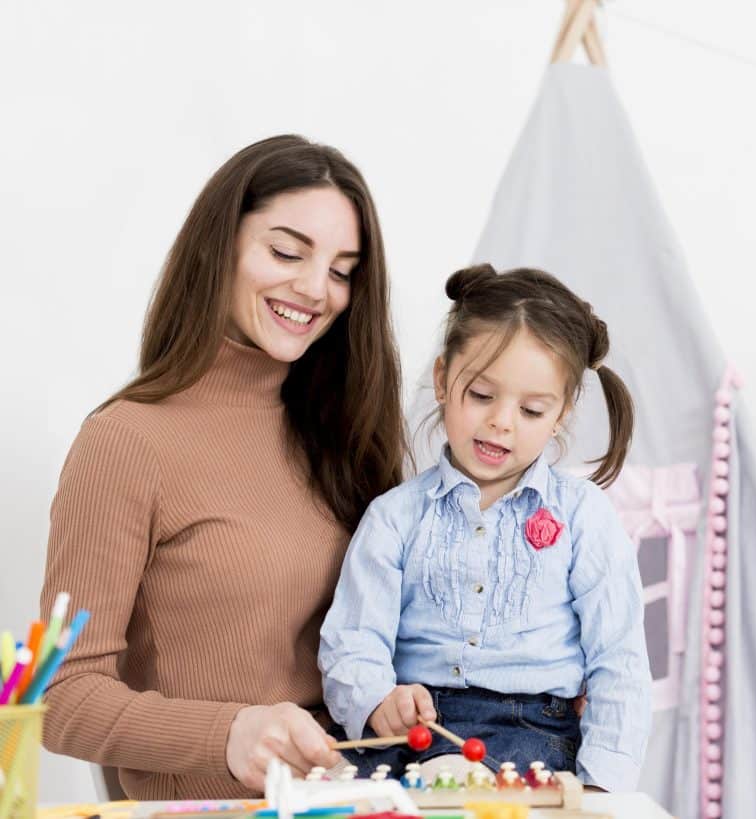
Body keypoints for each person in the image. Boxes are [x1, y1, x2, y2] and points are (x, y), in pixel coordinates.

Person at [39, 135, 406, 799]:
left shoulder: (346, 433)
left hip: (364, 797)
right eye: (287, 252)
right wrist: (227, 732)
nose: (314, 287)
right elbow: (59, 699)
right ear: (222, 244)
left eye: (342, 269)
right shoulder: (125, 442)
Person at [319, 264, 651, 792]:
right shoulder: (394, 516)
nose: (502, 421)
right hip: (418, 728)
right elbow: (353, 638)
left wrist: (601, 784)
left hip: (533, 732)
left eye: (532, 409)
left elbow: (620, 659)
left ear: (561, 413)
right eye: (481, 396)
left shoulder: (583, 516)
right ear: (444, 379)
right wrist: (379, 701)